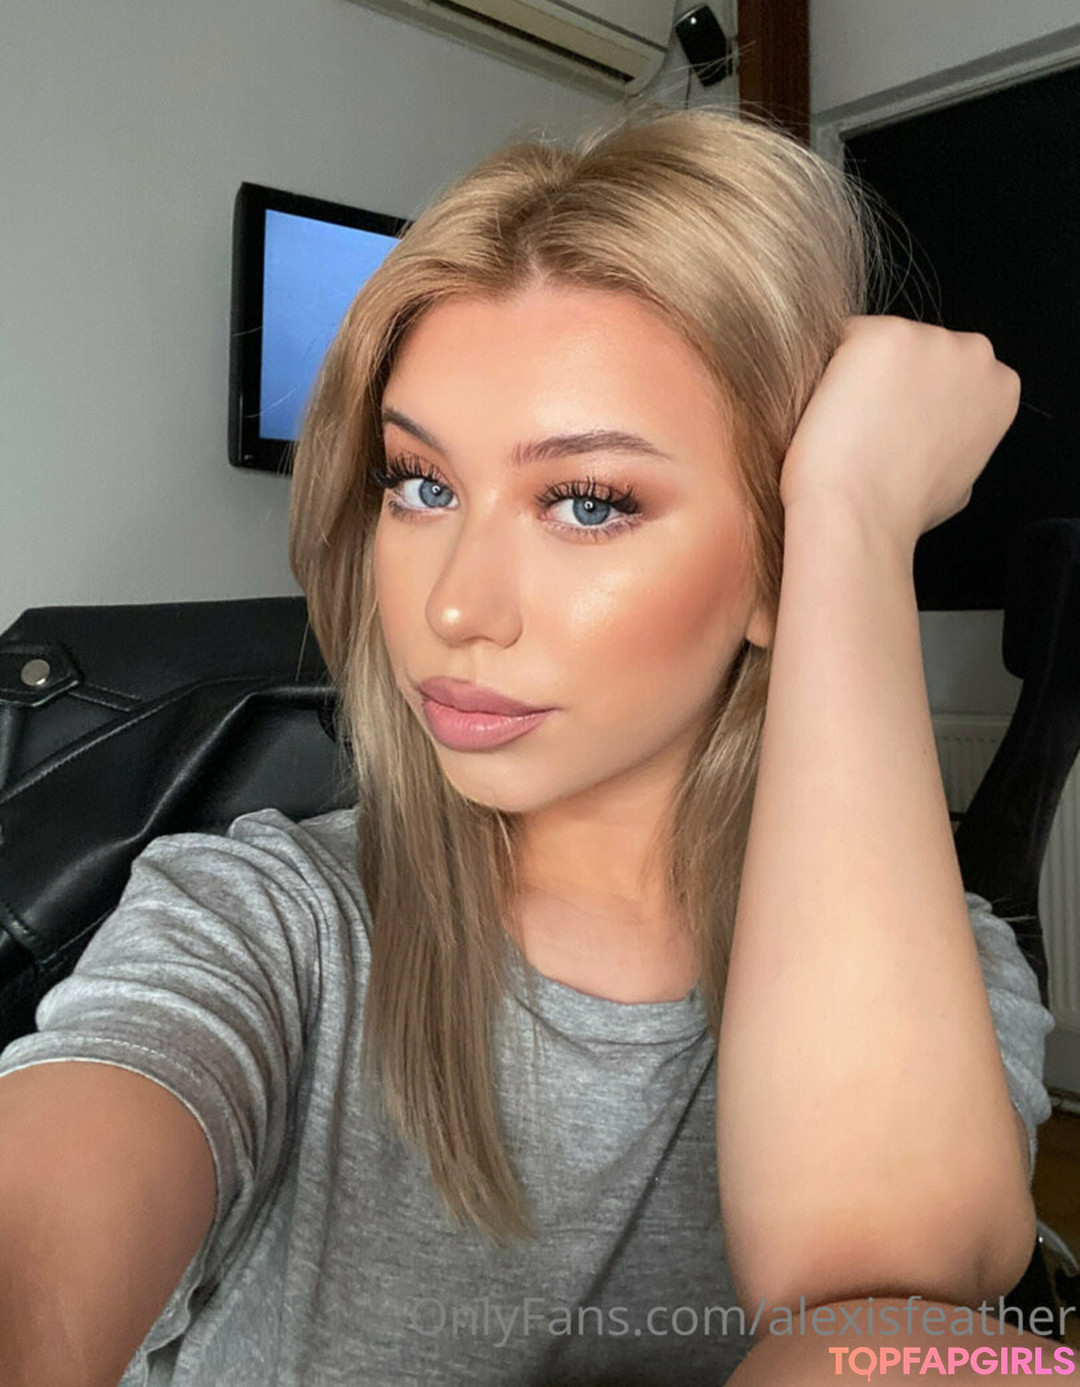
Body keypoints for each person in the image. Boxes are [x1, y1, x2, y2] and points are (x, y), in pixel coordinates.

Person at [0, 102, 1060, 1386]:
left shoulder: (941, 966)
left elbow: (872, 1325)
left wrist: (853, 519)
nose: (454, 606)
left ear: (782, 555)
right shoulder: (263, 923)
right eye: (420, 483)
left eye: (589, 502)